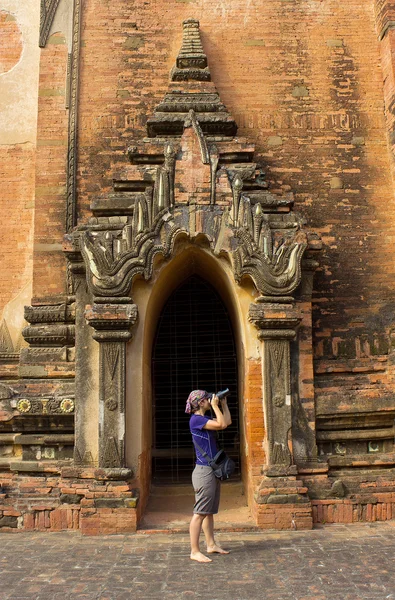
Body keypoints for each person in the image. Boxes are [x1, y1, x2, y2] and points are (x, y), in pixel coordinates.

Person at [185, 389, 232, 563]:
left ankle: (211, 544)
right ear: (200, 403)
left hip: (210, 470)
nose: (209, 400)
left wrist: (224, 405)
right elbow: (220, 425)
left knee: (208, 511)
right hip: (203, 472)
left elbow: (226, 422)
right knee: (199, 512)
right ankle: (194, 551)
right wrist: (215, 406)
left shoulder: (203, 420)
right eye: (206, 399)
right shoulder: (196, 420)